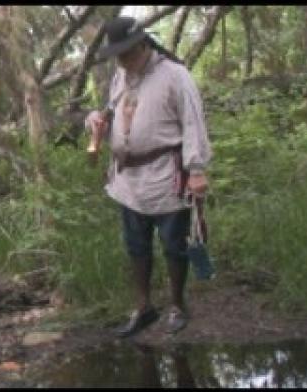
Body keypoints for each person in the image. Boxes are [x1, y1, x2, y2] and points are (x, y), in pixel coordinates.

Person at [84, 17, 212, 337]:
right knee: (136, 246)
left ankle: (178, 306)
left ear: (143, 44)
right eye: (118, 55)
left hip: (166, 176)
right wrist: (96, 119)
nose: (123, 60)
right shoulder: (120, 76)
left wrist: (196, 169)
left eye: (127, 53)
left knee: (173, 245)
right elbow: (111, 112)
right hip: (128, 180)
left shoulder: (174, 75)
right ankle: (144, 308)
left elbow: (193, 122)